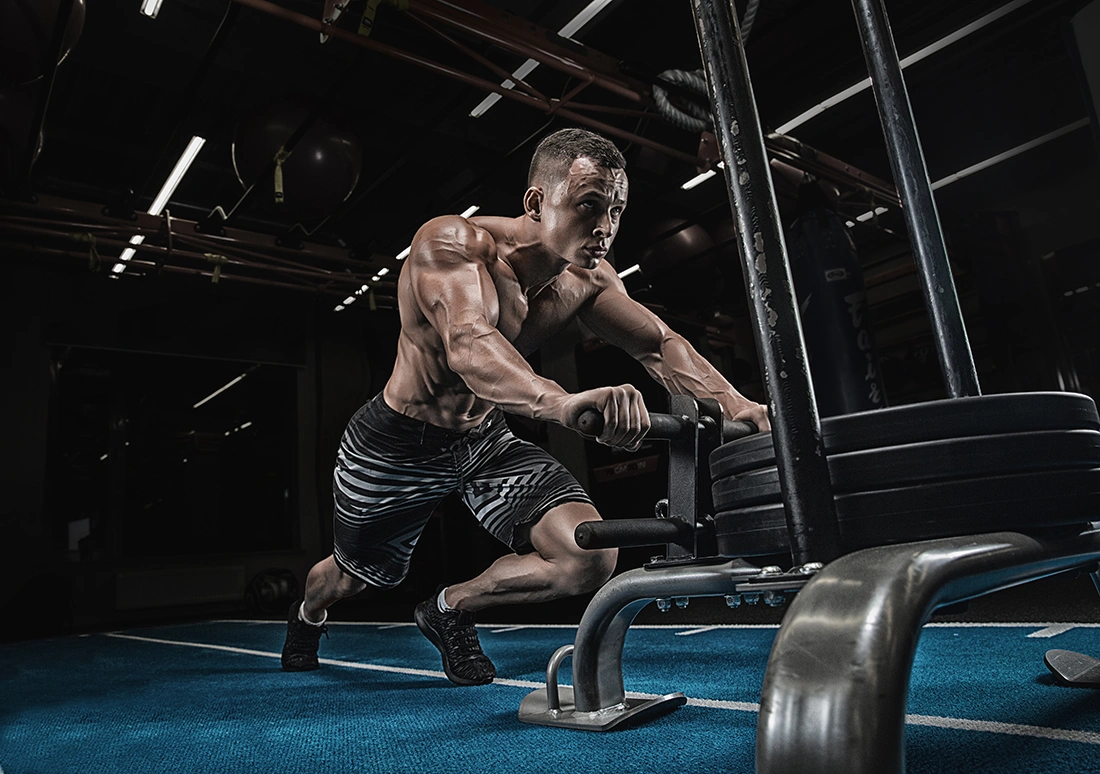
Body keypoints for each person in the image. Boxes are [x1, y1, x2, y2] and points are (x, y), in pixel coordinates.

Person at [281, 127, 770, 685]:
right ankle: (307, 616)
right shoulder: (452, 244)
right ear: (537, 203)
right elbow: (467, 343)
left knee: (588, 555)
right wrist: (561, 403)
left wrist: (735, 403)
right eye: (589, 205)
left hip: (483, 441)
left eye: (616, 209)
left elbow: (658, 345)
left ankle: (450, 608)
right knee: (355, 579)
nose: (605, 227)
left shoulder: (588, 279)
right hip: (399, 440)